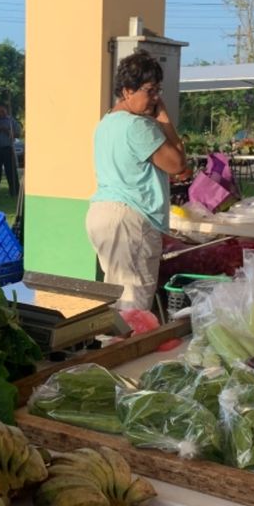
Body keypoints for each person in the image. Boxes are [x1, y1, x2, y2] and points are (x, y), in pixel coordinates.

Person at [86, 50, 187, 311]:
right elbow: (178, 164)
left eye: (158, 91)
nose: (156, 98)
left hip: (104, 215)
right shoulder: (137, 126)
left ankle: (111, 346)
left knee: (119, 301)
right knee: (134, 308)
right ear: (127, 90)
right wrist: (164, 120)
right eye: (150, 91)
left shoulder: (106, 122)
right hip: (131, 220)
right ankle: (122, 349)